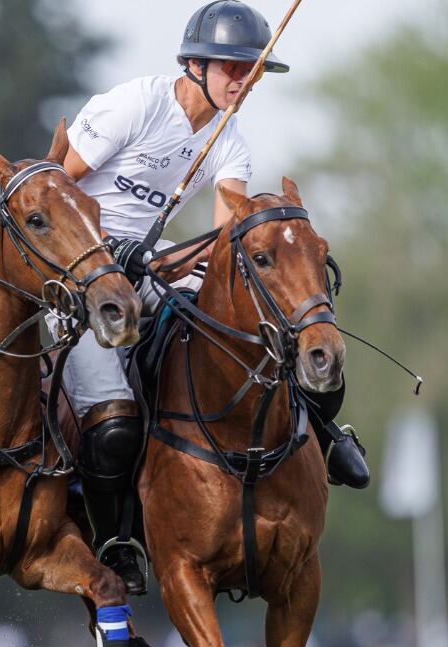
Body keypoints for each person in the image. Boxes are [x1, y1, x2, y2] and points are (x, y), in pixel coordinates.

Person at [60, 0, 369, 596]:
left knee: (251, 329)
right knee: (111, 416)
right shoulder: (136, 105)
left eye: (253, 72)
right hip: (84, 270)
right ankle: (116, 535)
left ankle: (325, 435)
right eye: (234, 69)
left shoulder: (230, 142)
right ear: (196, 64)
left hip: (153, 266)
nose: (244, 82)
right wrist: (106, 254)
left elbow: (223, 240)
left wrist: (174, 262)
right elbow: (51, 188)